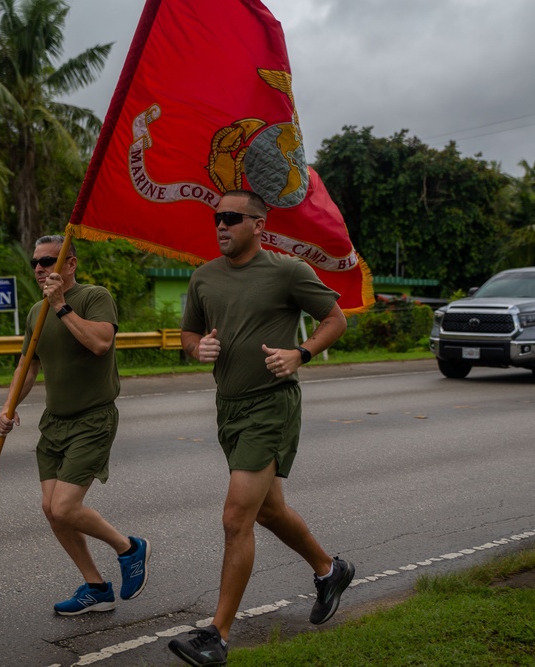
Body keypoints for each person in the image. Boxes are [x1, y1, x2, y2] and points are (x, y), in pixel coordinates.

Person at [168, 190, 354, 667]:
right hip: (228, 408)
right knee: (269, 512)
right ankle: (329, 569)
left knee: (236, 518)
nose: (221, 225)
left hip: (271, 406)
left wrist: (300, 353)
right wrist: (196, 349)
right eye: (217, 218)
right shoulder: (203, 277)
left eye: (231, 217)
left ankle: (218, 637)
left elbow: (335, 319)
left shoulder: (286, 271)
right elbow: (189, 333)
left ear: (258, 225)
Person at [0, 234, 150, 616]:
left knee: (65, 507)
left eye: (48, 261)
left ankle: (130, 549)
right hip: (55, 423)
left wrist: (61, 305)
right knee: (51, 509)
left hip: (92, 418)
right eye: (35, 262)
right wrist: (8, 407)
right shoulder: (35, 312)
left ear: (70, 264)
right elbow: (28, 365)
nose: (39, 269)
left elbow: (100, 343)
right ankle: (96, 587)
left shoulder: (93, 297)